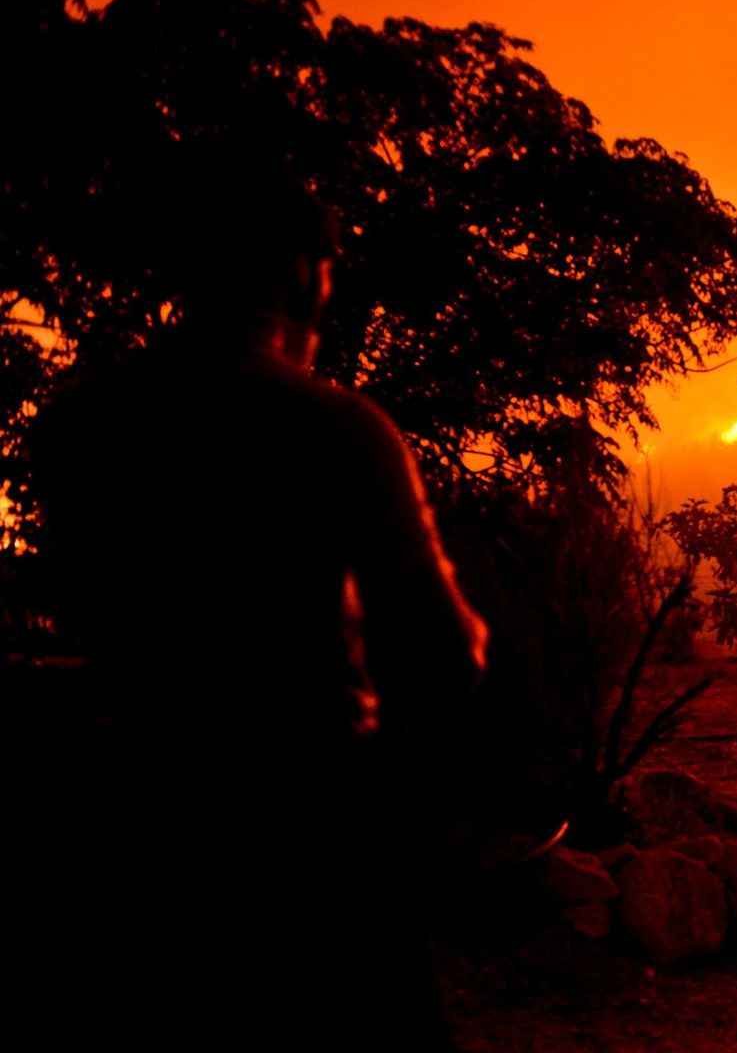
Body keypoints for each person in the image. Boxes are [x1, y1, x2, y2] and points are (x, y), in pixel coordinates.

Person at [31, 171, 487, 1050]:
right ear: (300, 276)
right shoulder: (337, 427)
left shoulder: (78, 426)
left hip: (139, 813)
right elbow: (443, 647)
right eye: (329, 266)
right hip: (310, 827)